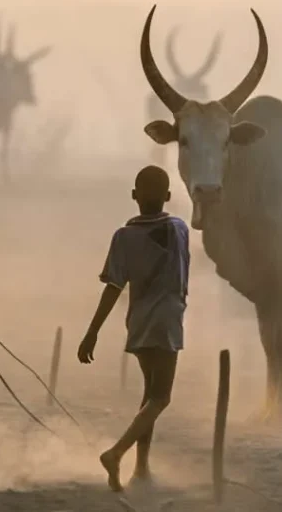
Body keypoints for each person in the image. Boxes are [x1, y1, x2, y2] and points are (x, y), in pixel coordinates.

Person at [77, 165, 190, 492]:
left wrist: (92, 331)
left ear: (134, 196)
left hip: (139, 322)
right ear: (168, 197)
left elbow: (113, 287)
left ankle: (141, 467)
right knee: (161, 397)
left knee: (149, 396)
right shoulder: (179, 229)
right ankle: (117, 453)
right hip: (167, 320)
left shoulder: (123, 237)